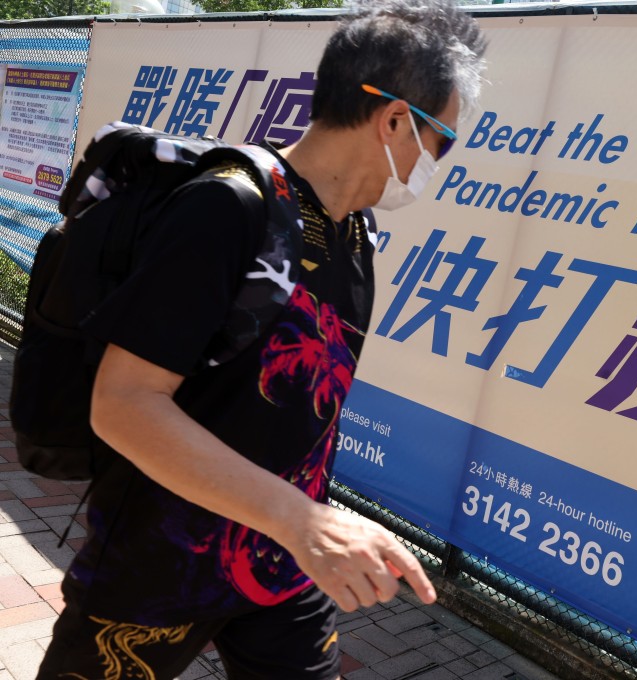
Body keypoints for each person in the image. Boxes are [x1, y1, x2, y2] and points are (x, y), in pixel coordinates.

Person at [36, 1, 486, 678]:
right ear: (394, 120)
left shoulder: (355, 234)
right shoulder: (228, 208)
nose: (439, 160)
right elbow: (124, 403)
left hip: (279, 568)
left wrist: (306, 529)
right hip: (157, 571)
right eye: (442, 140)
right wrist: (300, 521)